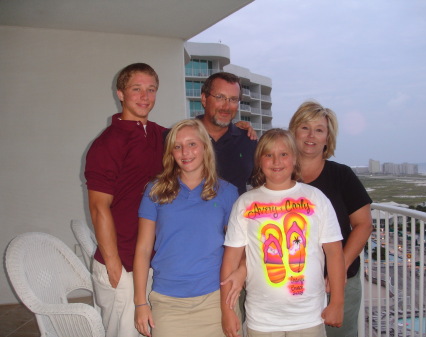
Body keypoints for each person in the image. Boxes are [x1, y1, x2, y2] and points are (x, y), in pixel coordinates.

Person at [221, 128, 345, 337]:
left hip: (309, 315)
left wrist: (338, 302)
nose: (276, 161)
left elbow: (334, 253)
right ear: (259, 161)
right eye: (268, 155)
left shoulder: (316, 198)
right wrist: (227, 311)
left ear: (295, 159)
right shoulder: (245, 203)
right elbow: (230, 260)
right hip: (262, 319)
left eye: (283, 154)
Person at [134, 119, 239, 337]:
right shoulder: (155, 191)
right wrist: (140, 303)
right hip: (168, 302)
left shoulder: (227, 192)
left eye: (192, 144)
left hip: (215, 300)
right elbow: (143, 250)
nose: (185, 152)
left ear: (204, 147)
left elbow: (240, 248)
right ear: (171, 152)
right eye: (178, 146)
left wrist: (242, 272)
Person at [85, 63, 167, 337]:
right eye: (137, 89)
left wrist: (239, 129)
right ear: (120, 93)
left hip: (151, 259)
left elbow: (198, 139)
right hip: (122, 264)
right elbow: (99, 208)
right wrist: (114, 266)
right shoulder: (107, 143)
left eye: (151, 89)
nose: (145, 96)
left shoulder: (160, 135)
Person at [288, 101, 373, 337]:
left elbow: (363, 224)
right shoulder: (279, 175)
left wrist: (340, 268)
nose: (311, 135)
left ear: (328, 138)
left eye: (319, 129)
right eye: (304, 127)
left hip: (337, 283)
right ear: (293, 132)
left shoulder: (341, 175)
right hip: (293, 285)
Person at [198, 72, 257, 196]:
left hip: (236, 214)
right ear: (204, 99)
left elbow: (264, 182)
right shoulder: (179, 139)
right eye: (220, 97)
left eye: (233, 99)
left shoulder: (248, 140)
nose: (226, 106)